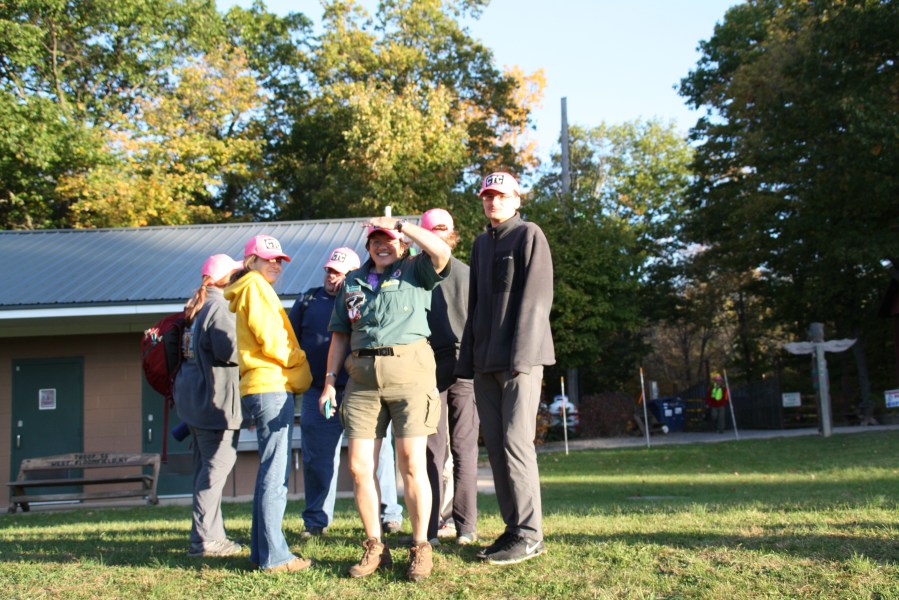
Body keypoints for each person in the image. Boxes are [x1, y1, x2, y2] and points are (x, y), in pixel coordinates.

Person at [321, 217, 450, 582]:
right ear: (368, 246)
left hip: (410, 375)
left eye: (389, 240)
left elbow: (442, 250)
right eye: (376, 240)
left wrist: (401, 225)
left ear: (402, 244)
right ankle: (375, 544)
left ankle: (421, 545)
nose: (382, 245)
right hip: (362, 380)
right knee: (359, 466)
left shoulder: (416, 269)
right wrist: (329, 382)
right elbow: (339, 336)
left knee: (411, 462)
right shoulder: (352, 282)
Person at [457, 171, 555, 565]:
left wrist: (521, 357)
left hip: (520, 362)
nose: (493, 201)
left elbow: (536, 301)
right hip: (486, 364)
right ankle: (513, 528)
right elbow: (475, 306)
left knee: (517, 443)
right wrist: (469, 362)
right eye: (487, 195)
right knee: (496, 448)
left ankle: (530, 535)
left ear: (516, 199)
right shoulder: (481, 244)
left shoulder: (530, 235)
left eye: (500, 195)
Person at [287, 247, 404, 538]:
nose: (332, 277)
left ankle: (389, 515)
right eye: (329, 271)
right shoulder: (308, 300)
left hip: (361, 390)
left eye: (339, 273)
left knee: (379, 456)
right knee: (318, 459)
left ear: (352, 274)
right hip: (319, 392)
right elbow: (291, 341)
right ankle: (316, 520)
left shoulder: (366, 298)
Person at [224, 234, 313, 573]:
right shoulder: (256, 287)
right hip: (270, 386)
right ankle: (275, 557)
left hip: (260, 386)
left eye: (279, 260)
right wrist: (300, 359)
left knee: (269, 472)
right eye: (268, 258)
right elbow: (272, 339)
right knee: (275, 475)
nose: (276, 264)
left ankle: (261, 553)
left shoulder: (249, 288)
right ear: (251, 261)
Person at [172, 253, 245, 558]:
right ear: (224, 279)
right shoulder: (218, 307)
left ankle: (207, 536)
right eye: (235, 274)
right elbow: (233, 353)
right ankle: (206, 541)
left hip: (194, 402)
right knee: (215, 471)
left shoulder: (197, 306)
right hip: (214, 405)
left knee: (205, 470)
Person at [420, 208, 479, 546]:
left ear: (453, 235)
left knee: (463, 448)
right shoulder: (413, 274)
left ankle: (465, 527)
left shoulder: (469, 275)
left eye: (443, 229)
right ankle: (429, 528)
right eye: (432, 230)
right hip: (425, 371)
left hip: (464, 369)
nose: (438, 235)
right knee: (432, 449)